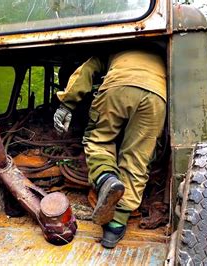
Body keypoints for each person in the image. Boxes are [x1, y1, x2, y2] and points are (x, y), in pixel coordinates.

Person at [54, 48, 166, 248]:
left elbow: (86, 71)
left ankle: (106, 178)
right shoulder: (163, 54)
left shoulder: (115, 47)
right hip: (156, 96)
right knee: (138, 158)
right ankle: (115, 227)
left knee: (99, 140)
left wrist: (66, 104)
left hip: (117, 87)